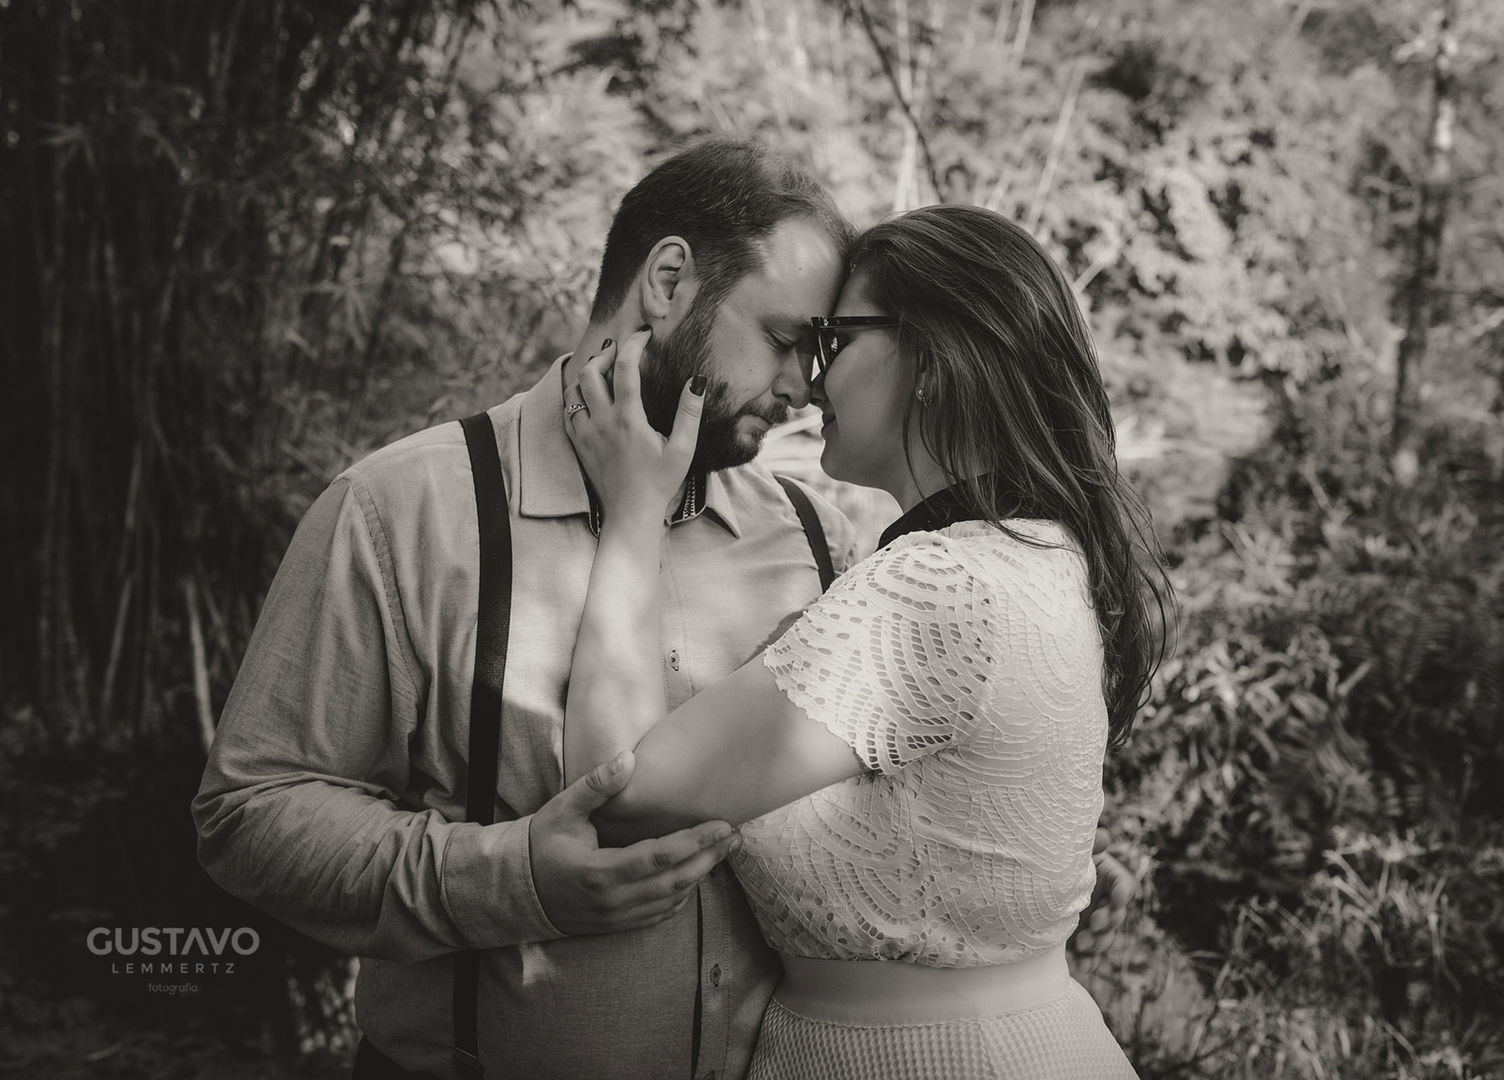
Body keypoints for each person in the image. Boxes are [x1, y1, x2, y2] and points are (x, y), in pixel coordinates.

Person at [192, 138, 863, 1080]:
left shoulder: (819, 537)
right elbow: (251, 815)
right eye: (787, 341)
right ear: (668, 280)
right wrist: (512, 881)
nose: (805, 391)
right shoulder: (400, 511)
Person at [561, 203, 1171, 1078]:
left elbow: (614, 794)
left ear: (928, 357)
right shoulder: (1040, 551)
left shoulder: (938, 585)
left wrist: (631, 518)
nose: (809, 384)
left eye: (833, 342)